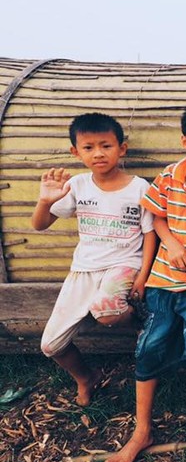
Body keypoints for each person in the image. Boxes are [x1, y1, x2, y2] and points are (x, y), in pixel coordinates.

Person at [104, 103, 186, 462]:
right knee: (149, 346)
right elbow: (157, 215)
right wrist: (172, 243)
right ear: (185, 141)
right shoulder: (171, 175)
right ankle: (141, 429)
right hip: (163, 277)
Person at [32, 113, 156, 407]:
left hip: (124, 264)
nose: (98, 153)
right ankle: (86, 377)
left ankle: (142, 321)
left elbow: (150, 233)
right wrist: (45, 201)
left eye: (106, 146)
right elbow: (39, 224)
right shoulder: (78, 185)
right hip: (84, 270)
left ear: (121, 149)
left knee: (106, 311)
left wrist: (143, 276)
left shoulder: (139, 187)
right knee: (50, 345)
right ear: (76, 152)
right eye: (88, 147)